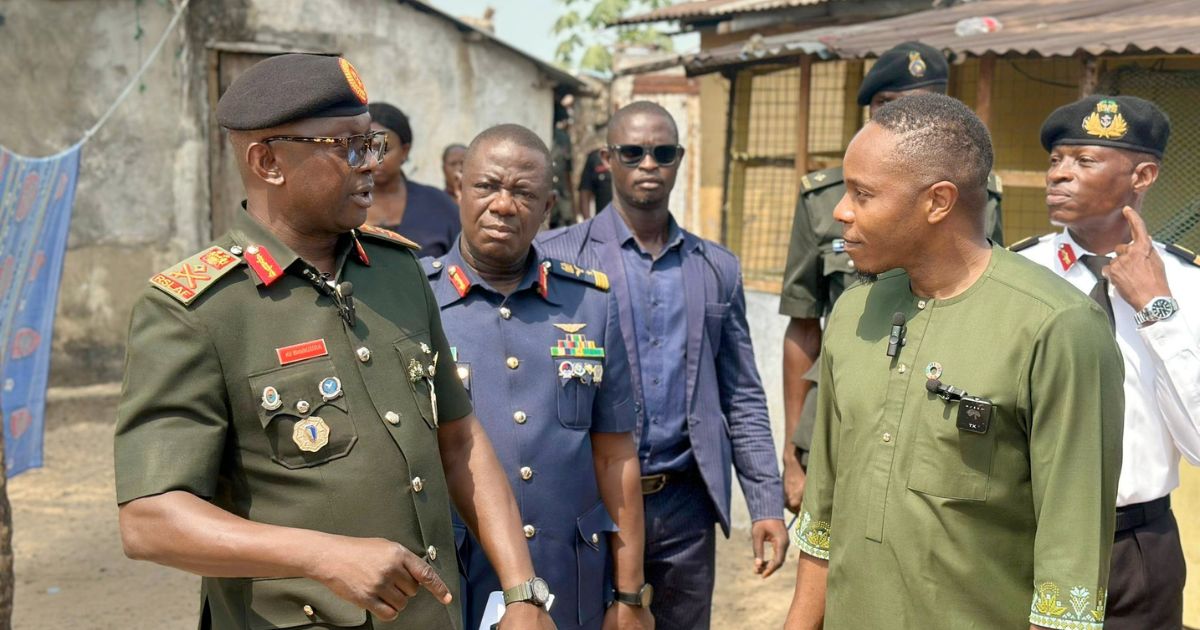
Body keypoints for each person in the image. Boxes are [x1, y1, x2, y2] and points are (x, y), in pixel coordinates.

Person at [113, 54, 554, 630]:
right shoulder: (196, 309)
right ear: (268, 161)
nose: (369, 164)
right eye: (346, 146)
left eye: (372, 144)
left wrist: (522, 591)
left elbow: (460, 441)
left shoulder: (396, 272)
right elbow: (150, 520)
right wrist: (321, 556)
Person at [784, 93, 1124, 630]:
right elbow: (820, 519)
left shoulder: (1058, 328)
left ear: (938, 201)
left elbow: (1070, 569)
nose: (841, 212)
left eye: (863, 194)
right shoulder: (853, 312)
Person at [538, 101, 787, 630]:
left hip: (686, 504)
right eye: (632, 152)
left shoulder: (716, 268)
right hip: (588, 498)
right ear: (608, 160)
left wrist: (765, 503)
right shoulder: (557, 259)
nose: (648, 163)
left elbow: (741, 394)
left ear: (678, 160)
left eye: (662, 152)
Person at [423, 124, 653, 630]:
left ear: (548, 208)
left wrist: (630, 594)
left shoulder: (589, 302)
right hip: (457, 577)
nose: (503, 205)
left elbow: (615, 455)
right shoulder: (416, 302)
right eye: (486, 187)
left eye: (524, 193)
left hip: (569, 577)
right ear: (458, 189)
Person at [778, 41, 1005, 514]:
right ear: (869, 111)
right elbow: (803, 324)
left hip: (933, 416)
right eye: (891, 106)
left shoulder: (976, 199)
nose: (907, 121)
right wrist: (792, 450)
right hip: (837, 416)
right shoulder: (823, 200)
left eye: (922, 104)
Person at [1012, 95, 1200, 630]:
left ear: (1142, 174)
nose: (1059, 176)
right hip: (1029, 533)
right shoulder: (1015, 274)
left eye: (1083, 161)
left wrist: (1156, 311)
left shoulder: (1189, 285)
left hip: (1140, 547)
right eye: (1055, 160)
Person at [365, 102, 461, 257]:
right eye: (367, 149)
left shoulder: (438, 205)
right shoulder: (339, 205)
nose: (375, 159)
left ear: (405, 151)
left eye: (385, 149)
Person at [577, 143, 612, 220]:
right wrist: (587, 221)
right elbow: (585, 191)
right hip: (604, 221)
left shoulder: (636, 155)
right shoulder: (595, 158)